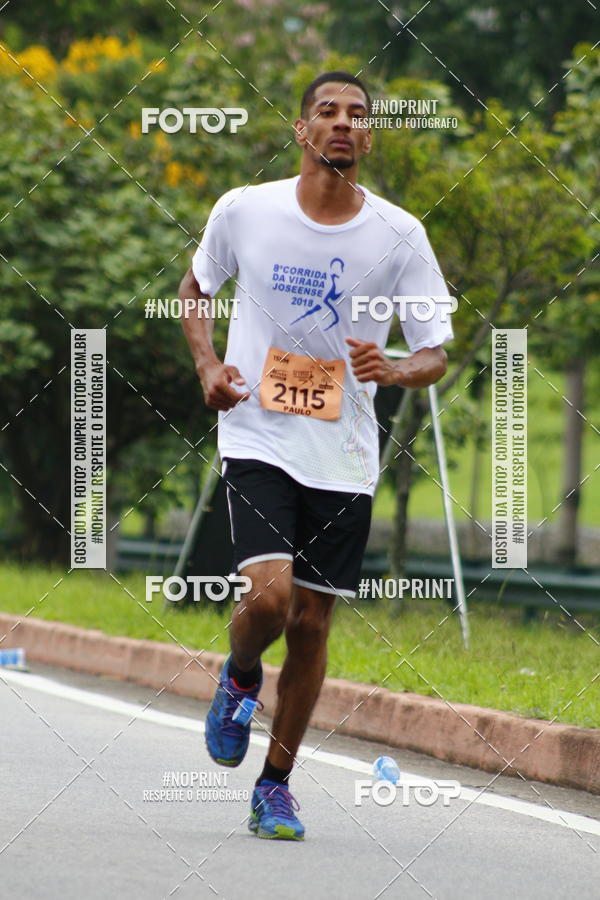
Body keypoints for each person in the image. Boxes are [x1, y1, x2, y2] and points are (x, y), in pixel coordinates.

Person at [179, 71, 453, 840]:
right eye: (326, 112)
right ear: (302, 131)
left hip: (343, 453)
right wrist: (208, 367)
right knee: (268, 602)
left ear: (369, 136)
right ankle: (238, 677)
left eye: (356, 115)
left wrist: (394, 368)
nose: (342, 123)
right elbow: (194, 289)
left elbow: (434, 351)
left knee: (311, 626)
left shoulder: (400, 235)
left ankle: (275, 785)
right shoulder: (245, 209)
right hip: (259, 432)